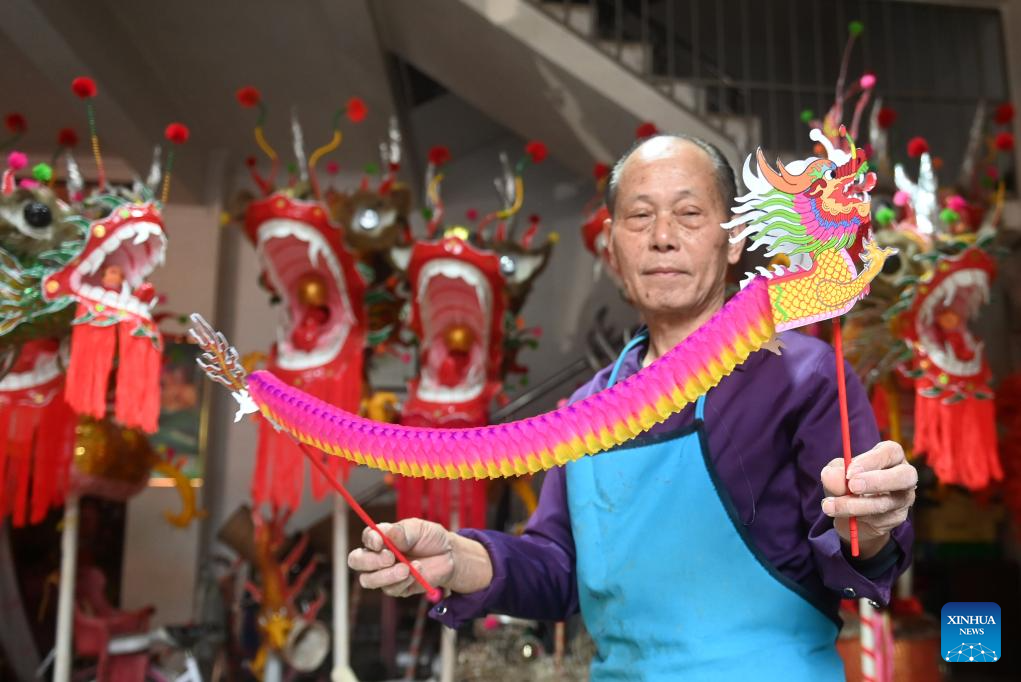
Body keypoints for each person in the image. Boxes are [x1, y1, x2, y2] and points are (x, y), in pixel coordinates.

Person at [349, 135, 916, 680]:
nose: (662, 237)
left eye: (689, 214)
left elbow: (855, 562)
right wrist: (456, 556)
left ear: (734, 237)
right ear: (611, 245)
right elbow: (559, 570)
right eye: (640, 217)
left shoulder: (803, 375)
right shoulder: (586, 409)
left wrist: (870, 525)